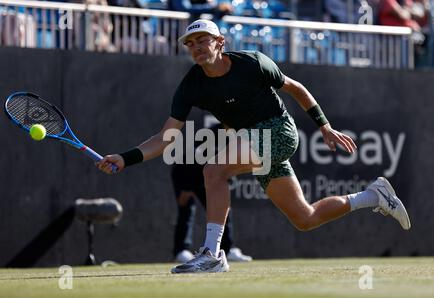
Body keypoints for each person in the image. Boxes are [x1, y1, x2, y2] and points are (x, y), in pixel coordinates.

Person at [97, 19, 411, 274]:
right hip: (254, 142)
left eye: (202, 40)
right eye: (190, 44)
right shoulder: (191, 84)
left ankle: (212, 253)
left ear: (220, 42)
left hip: (280, 131)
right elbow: (167, 137)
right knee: (305, 218)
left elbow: (295, 88)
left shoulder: (253, 63)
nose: (196, 48)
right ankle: (372, 196)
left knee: (214, 170)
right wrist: (125, 159)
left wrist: (324, 126)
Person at [171, 123, 252, 263]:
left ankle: (228, 249)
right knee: (187, 209)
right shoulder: (213, 133)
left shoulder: (239, 136)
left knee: (222, 209)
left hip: (208, 176)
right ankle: (181, 250)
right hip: (185, 173)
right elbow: (191, 157)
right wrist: (187, 188)